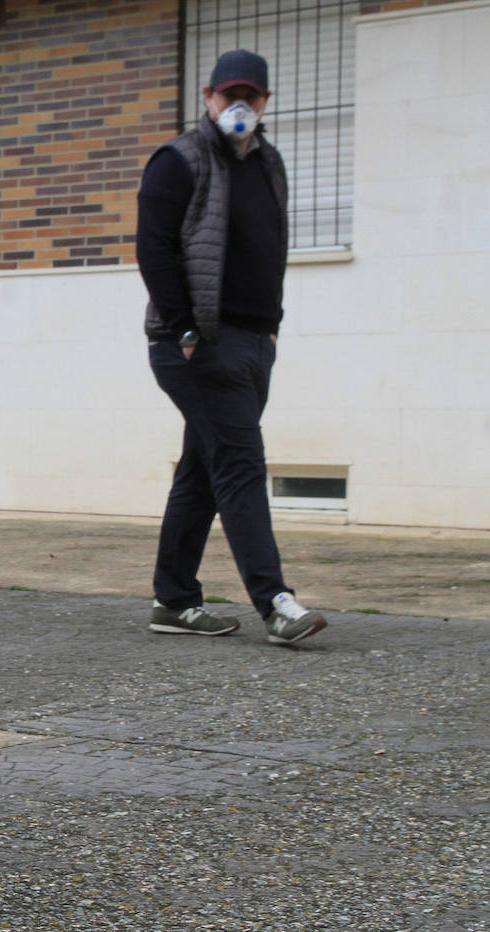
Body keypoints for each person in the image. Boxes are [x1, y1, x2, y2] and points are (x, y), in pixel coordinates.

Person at [136, 48, 327, 645]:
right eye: (228, 95)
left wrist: (270, 329)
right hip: (195, 344)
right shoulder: (179, 159)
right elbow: (154, 249)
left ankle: (174, 601)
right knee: (241, 463)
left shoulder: (268, 162)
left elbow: (273, 246)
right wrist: (187, 329)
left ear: (265, 102)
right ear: (208, 96)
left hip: (253, 341)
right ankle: (276, 603)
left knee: (204, 468)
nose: (238, 105)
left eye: (251, 95)